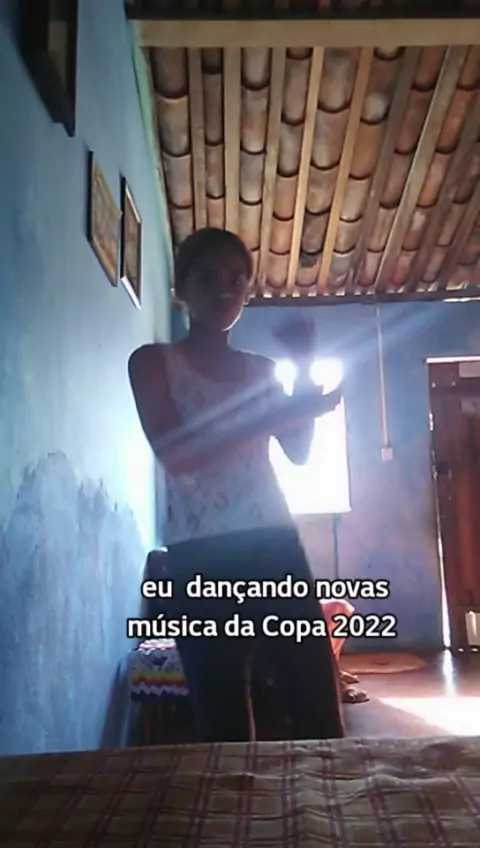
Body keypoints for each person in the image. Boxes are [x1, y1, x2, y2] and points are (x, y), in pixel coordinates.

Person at [128, 227, 345, 743]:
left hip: (273, 543)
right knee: (221, 711)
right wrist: (278, 413)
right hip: (200, 555)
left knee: (314, 695)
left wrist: (304, 367)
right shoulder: (153, 362)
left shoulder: (262, 371)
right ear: (181, 286)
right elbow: (179, 456)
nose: (224, 292)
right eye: (208, 278)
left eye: (236, 280)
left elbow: (298, 451)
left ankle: (330, 798)